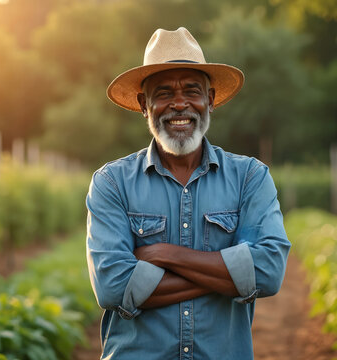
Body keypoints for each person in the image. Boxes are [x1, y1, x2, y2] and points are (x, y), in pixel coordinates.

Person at [86, 27, 291, 360]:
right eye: (164, 92)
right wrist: (233, 276)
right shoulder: (112, 182)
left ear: (209, 99)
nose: (179, 104)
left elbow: (267, 272)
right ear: (144, 104)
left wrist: (165, 254)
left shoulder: (250, 177)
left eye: (192, 91)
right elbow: (113, 287)